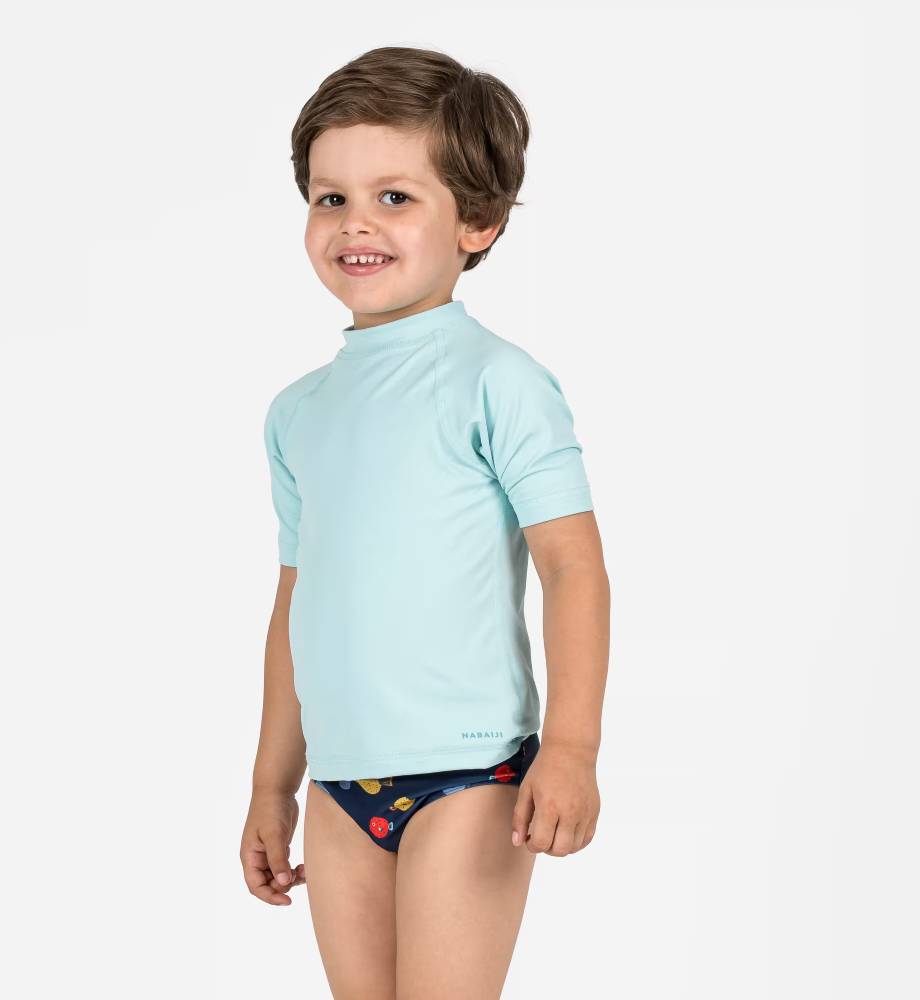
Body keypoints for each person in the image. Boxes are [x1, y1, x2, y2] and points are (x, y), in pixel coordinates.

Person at [240, 45, 611, 999]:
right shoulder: (297, 413)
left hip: (471, 777)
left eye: (395, 197)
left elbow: (573, 569)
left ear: (478, 221)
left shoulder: (500, 383)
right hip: (338, 786)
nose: (355, 223)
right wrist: (272, 785)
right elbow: (295, 604)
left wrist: (571, 749)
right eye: (330, 198)